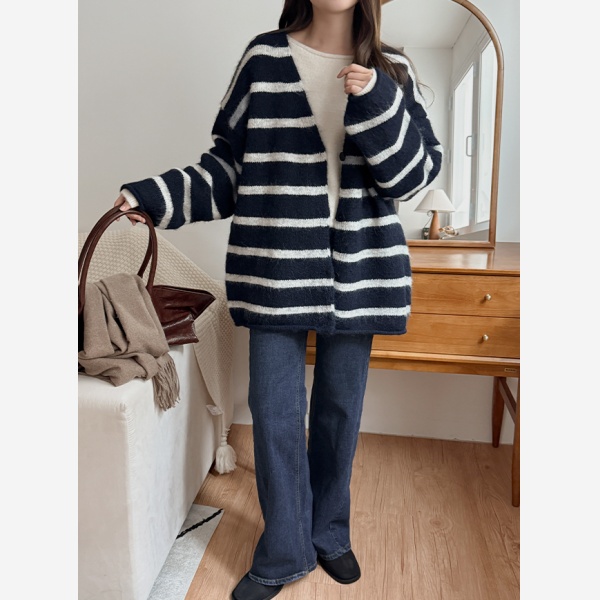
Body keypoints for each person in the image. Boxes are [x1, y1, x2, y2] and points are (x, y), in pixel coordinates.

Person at [114, 1, 442, 598]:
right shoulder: (263, 59)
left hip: (361, 274)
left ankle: (329, 533)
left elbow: (413, 178)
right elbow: (227, 170)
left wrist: (376, 101)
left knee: (340, 412)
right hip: (274, 270)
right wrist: (154, 197)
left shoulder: (392, 72)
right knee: (274, 414)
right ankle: (285, 549)